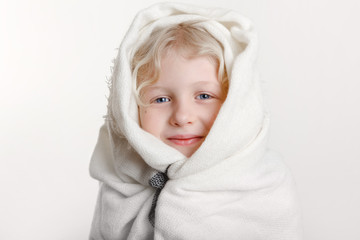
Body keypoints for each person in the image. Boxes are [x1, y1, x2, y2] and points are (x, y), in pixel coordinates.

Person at [89, 2, 302, 240]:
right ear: (130, 106)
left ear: (236, 104)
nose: (182, 117)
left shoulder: (265, 186)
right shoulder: (122, 180)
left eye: (204, 96)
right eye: (160, 99)